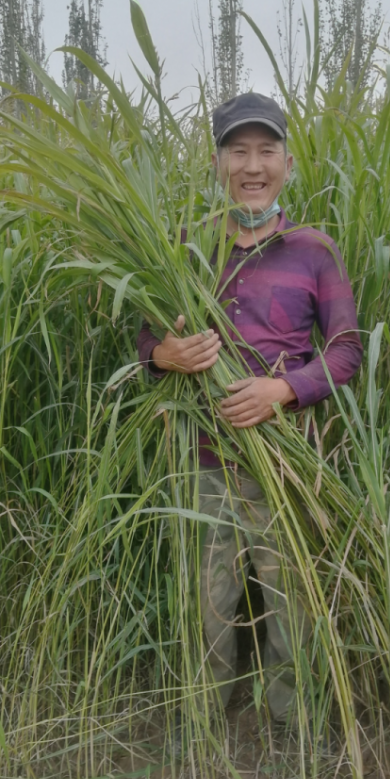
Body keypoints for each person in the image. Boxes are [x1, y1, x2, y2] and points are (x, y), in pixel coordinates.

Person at [137, 92, 362, 724]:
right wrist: (165, 355)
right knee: (207, 603)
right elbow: (147, 340)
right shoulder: (188, 248)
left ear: (287, 164)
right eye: (239, 151)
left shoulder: (315, 249)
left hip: (285, 467)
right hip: (203, 462)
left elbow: (346, 353)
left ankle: (298, 729)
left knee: (292, 604)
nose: (253, 165)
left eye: (267, 151)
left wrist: (282, 390)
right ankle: (203, 730)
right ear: (218, 163)